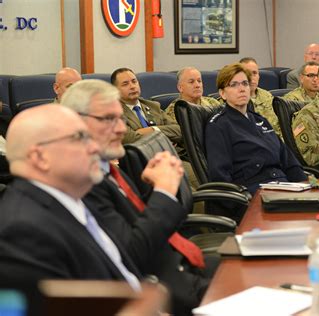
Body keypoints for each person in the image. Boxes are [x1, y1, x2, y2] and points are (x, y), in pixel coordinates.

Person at [61, 79, 217, 315]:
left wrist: (152, 189)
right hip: (163, 290)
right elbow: (133, 252)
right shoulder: (82, 184)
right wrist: (163, 191)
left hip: (177, 266)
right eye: (108, 119)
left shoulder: (105, 168)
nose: (122, 129)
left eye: (120, 119)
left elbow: (135, 219)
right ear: (76, 124)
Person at [0, 105, 143, 289]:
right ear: (40, 157)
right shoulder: (23, 231)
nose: (95, 147)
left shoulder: (73, 197)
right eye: (80, 138)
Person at [205, 63, 306, 195]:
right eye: (234, 85)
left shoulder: (260, 120)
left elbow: (288, 161)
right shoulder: (218, 125)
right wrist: (243, 200)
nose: (241, 89)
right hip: (252, 190)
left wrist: (305, 186)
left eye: (245, 83)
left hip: (282, 185)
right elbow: (220, 176)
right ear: (223, 93)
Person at [111, 67, 181, 145]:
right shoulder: (114, 112)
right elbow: (130, 139)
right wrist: (166, 137)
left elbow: (179, 130)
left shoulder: (153, 106)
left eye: (134, 81)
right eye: (125, 84)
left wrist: (153, 129)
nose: (132, 86)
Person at [239, 57, 281, 136]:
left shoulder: (267, 96)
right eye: (247, 73)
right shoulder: (234, 100)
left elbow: (278, 128)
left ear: (259, 76)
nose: (251, 78)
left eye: (254, 73)